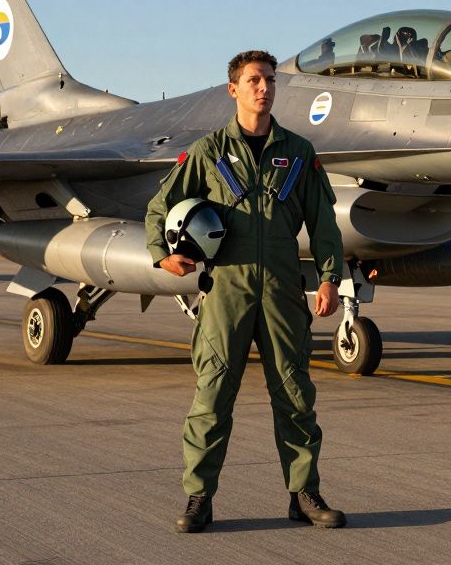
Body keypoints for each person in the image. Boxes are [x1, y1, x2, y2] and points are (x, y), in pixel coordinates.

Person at [145, 49, 347, 533]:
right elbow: (160, 206)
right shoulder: (208, 152)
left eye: (270, 80)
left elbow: (323, 224)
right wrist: (162, 254)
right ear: (233, 89)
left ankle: (304, 495)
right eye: (255, 80)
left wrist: (329, 277)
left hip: (281, 291)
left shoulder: (298, 153)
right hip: (226, 293)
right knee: (212, 398)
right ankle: (199, 500)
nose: (265, 88)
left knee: (296, 397)